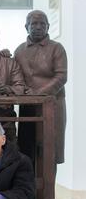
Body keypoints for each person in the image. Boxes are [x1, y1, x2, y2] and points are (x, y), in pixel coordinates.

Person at [14, 10, 67, 170]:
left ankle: (48, 195)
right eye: (34, 23)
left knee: (49, 151)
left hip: (52, 106)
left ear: (48, 26)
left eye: (42, 24)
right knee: (27, 151)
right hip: (28, 107)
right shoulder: (19, 50)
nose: (38, 27)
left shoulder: (57, 48)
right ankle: (29, 194)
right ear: (26, 26)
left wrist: (39, 93)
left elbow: (61, 76)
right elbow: (14, 75)